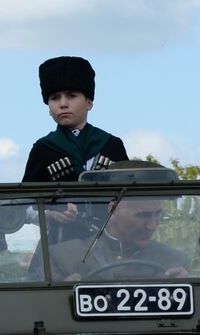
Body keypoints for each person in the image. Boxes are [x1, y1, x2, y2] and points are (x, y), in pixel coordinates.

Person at [24, 56, 131, 244]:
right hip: (57, 246)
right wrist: (51, 214)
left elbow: (130, 199)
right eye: (54, 98)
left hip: (107, 244)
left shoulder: (112, 145)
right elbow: (23, 204)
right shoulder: (43, 149)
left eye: (71, 95)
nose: (62, 104)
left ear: (89, 102)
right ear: (48, 107)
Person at [46, 196, 191, 281]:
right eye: (143, 215)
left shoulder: (175, 261)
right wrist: (62, 295)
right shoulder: (62, 257)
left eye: (158, 214)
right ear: (113, 210)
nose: (152, 225)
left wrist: (189, 289)